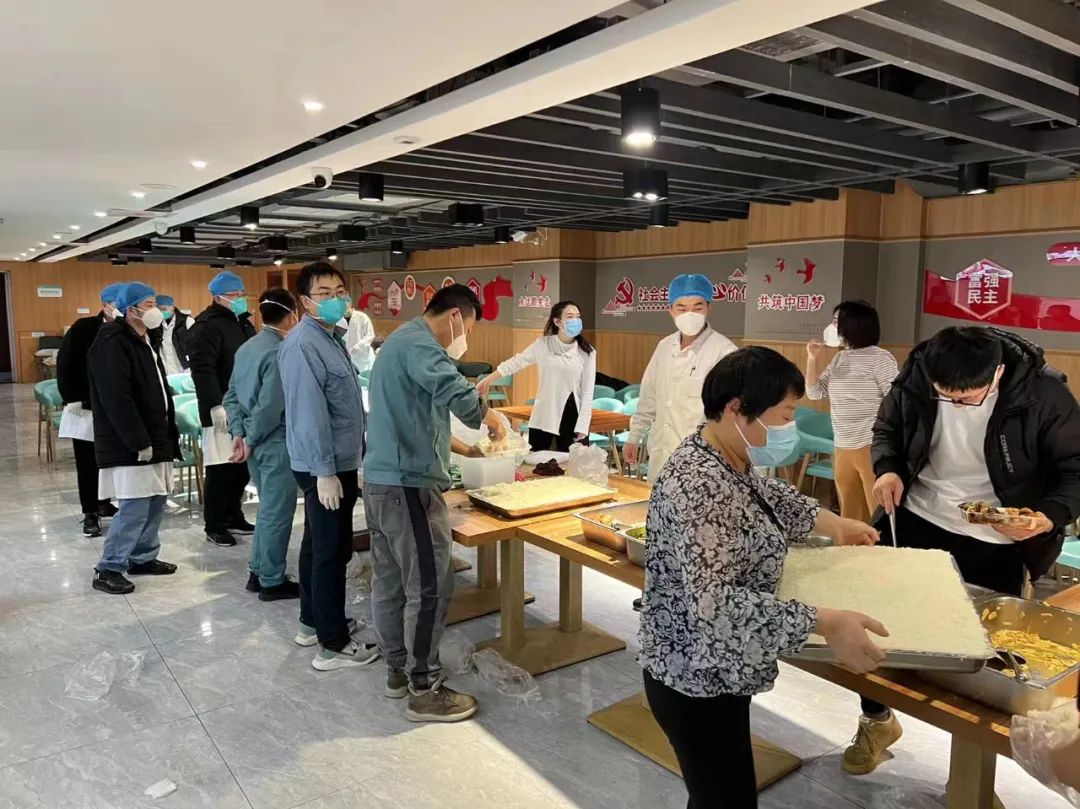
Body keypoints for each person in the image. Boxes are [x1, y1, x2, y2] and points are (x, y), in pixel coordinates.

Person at [639, 346, 886, 809]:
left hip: (715, 669)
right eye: (785, 414)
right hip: (694, 676)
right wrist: (823, 621)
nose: (789, 426)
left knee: (718, 796)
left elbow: (763, 494)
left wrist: (831, 522)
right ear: (737, 408)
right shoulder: (701, 486)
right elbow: (714, 606)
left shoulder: (721, 453)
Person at [848, 326, 1080, 777]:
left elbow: (1075, 467)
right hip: (916, 514)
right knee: (880, 625)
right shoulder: (917, 375)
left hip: (997, 536)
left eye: (968, 398)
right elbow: (887, 429)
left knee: (980, 661)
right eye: (945, 396)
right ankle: (875, 721)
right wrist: (888, 469)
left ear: (998, 374)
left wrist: (1048, 516)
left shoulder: (1044, 395)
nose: (955, 405)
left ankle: (969, 778)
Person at [364, 284, 508, 722]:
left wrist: (467, 450)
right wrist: (491, 417)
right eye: (467, 331)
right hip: (408, 487)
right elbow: (454, 390)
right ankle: (423, 689)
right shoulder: (421, 343)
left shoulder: (399, 343)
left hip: (382, 481)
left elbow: (418, 419)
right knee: (428, 588)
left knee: (390, 583)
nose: (463, 341)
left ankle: (397, 672)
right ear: (455, 317)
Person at [279, 261, 380, 670]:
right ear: (305, 302)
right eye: (325, 293)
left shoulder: (330, 336)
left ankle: (313, 623)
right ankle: (333, 645)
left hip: (335, 461)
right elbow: (309, 414)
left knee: (316, 546)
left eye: (340, 291)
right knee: (331, 553)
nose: (336, 299)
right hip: (325, 464)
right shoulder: (304, 344)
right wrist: (324, 472)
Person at [87, 282, 181, 595]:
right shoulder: (112, 342)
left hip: (156, 436)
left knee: (155, 501)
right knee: (134, 507)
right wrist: (138, 441)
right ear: (131, 310)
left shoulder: (145, 338)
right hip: (131, 442)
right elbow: (117, 398)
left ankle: (142, 557)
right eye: (150, 304)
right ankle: (109, 567)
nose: (157, 310)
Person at [222, 287, 300, 601]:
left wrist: (239, 434)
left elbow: (231, 396)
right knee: (276, 514)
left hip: (254, 443)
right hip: (274, 442)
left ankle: (258, 570)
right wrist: (251, 439)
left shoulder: (247, 348)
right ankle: (271, 580)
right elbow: (270, 406)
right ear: (293, 315)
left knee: (268, 510)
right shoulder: (281, 352)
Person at [624, 273, 737, 482]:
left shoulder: (724, 352)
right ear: (671, 310)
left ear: (708, 308)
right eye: (681, 308)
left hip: (701, 462)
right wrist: (634, 436)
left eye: (697, 307)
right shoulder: (664, 347)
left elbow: (729, 415)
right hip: (661, 454)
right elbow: (649, 398)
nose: (689, 314)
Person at [805, 301, 898, 522]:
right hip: (842, 444)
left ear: (853, 325)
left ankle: (881, 544)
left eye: (837, 321)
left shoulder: (880, 358)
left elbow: (895, 400)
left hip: (871, 444)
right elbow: (814, 392)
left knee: (877, 510)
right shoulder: (840, 358)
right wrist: (811, 359)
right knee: (849, 509)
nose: (832, 326)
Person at [188, 270, 256, 547]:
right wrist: (215, 405)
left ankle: (233, 514)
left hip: (245, 406)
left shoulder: (243, 322)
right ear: (218, 297)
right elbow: (202, 370)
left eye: (242, 294)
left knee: (242, 467)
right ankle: (215, 523)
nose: (240, 299)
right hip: (221, 408)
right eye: (234, 295)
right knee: (221, 468)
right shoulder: (206, 326)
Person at [477, 300, 596, 452]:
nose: (576, 321)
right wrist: (487, 380)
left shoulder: (587, 352)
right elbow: (516, 362)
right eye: (570, 317)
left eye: (578, 317)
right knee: (536, 461)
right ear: (557, 322)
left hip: (572, 415)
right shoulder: (543, 344)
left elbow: (587, 392)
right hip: (543, 413)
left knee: (570, 463)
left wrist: (583, 425)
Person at [57, 282, 123, 538]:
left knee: (110, 460)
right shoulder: (84, 328)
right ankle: (90, 512)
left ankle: (104, 502)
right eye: (117, 304)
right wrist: (71, 397)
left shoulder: (126, 329)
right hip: (86, 407)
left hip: (115, 407)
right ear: (105, 305)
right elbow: (66, 362)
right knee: (87, 461)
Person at [149, 294, 193, 377]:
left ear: (172, 308)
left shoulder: (187, 321)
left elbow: (196, 343)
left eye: (164, 309)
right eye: (159, 310)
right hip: (165, 367)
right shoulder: (156, 324)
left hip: (184, 367)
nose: (162, 312)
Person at [344, 299, 375, 374]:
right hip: (347, 359)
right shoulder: (339, 320)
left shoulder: (362, 317)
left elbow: (370, 335)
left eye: (344, 305)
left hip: (363, 359)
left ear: (350, 304)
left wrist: (358, 346)